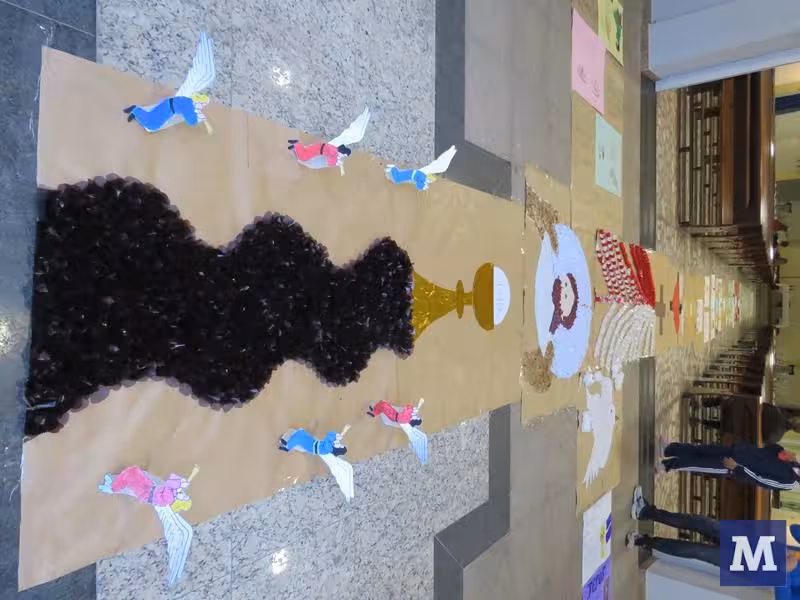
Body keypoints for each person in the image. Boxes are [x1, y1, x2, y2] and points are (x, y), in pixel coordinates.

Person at [626, 486, 800, 583]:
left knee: (697, 551)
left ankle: (643, 541)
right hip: (756, 542)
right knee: (703, 523)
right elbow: (795, 530)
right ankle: (645, 512)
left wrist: (783, 570)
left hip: (752, 565)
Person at [659, 441, 800, 491]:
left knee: (699, 463)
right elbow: (768, 449)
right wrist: (781, 450)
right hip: (739, 452)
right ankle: (668, 449)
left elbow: (760, 480)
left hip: (733, 466)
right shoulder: (794, 462)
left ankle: (666, 466)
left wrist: (737, 468)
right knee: (702, 450)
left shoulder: (790, 481)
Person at [690, 398, 800, 444]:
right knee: (735, 429)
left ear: (795, 421)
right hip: (732, 430)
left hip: (733, 411)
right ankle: (700, 421)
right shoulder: (776, 438)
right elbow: (755, 440)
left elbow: (759, 405)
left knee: (731, 401)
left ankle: (701, 404)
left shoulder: (777, 412)